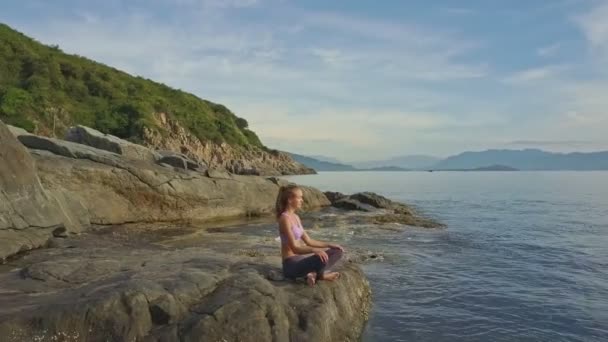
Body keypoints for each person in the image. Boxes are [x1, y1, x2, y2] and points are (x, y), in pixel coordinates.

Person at [276, 184, 344, 286]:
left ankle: (312, 274)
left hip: (301, 261)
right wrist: (314, 250)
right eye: (299, 197)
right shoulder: (284, 219)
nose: (302, 200)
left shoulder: (296, 217)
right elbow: (295, 248)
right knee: (320, 259)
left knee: (337, 251)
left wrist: (329, 245)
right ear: (290, 199)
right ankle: (320, 276)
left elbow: (309, 241)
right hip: (290, 265)